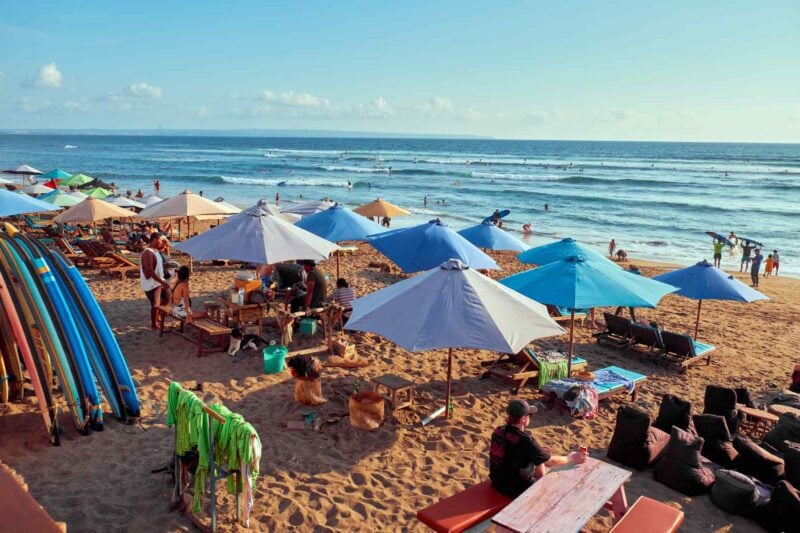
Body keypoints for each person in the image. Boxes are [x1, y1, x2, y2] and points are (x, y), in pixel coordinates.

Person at [489, 400, 587, 497]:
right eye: (529, 415)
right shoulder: (525, 440)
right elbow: (551, 461)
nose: (530, 417)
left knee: (537, 457)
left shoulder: (498, 431)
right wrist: (572, 458)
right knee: (545, 469)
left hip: (496, 481)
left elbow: (511, 449)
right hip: (514, 489)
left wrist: (537, 451)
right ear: (523, 418)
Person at [140, 234, 169, 329]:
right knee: (155, 304)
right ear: (155, 240)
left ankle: (158, 316)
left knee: (167, 299)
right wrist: (162, 282)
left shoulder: (155, 251)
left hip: (159, 281)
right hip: (152, 284)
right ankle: (154, 324)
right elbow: (149, 271)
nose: (161, 242)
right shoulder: (147, 252)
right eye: (160, 240)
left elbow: (158, 265)